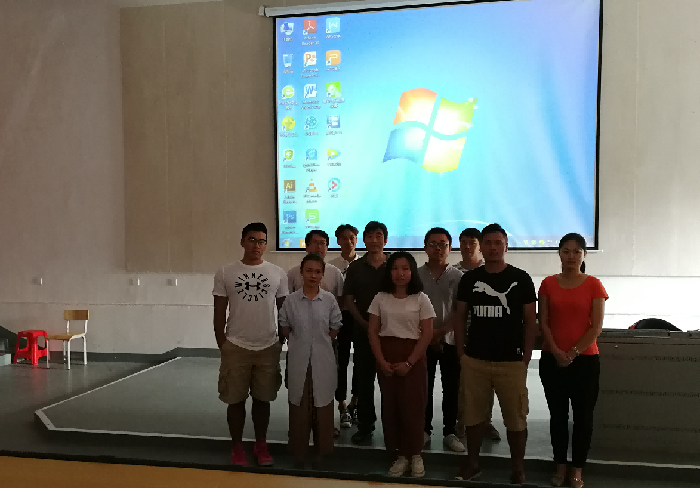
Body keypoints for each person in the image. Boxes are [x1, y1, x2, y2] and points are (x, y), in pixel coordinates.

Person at [452, 223, 537, 484]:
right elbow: (460, 316)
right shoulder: (470, 279)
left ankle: (518, 469)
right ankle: (473, 463)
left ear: (506, 246)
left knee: (516, 418)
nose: (492, 247)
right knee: (473, 417)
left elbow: (530, 321)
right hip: (475, 360)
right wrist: (461, 353)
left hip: (511, 361)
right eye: (487, 242)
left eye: (497, 242)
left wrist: (525, 357)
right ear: (482, 247)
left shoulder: (521, 279)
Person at [213, 222, 289, 466]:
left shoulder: (278, 273)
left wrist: (280, 340)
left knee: (262, 399)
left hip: (267, 346)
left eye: (262, 241)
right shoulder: (225, 272)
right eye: (252, 240)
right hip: (236, 346)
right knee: (235, 400)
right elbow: (219, 311)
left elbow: (283, 312)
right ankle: (237, 447)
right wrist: (223, 342)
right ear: (243, 241)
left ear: (266, 245)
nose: (257, 245)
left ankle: (261, 445)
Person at [538, 233, 608, 488]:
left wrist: (574, 352)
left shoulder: (594, 285)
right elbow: (543, 322)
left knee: (583, 417)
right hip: (552, 360)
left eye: (577, 251)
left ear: (584, 255)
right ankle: (560, 466)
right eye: (566, 251)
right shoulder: (548, 284)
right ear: (559, 253)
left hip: (585, 361)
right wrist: (557, 352)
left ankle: (577, 468)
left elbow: (596, 327)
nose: (571, 256)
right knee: (558, 416)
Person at [367, 251, 435, 478]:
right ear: (389, 272)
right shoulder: (380, 298)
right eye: (395, 268)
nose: (400, 273)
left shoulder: (421, 298)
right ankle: (399, 455)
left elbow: (427, 333)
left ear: (412, 272)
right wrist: (381, 361)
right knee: (391, 407)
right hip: (386, 356)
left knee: (413, 406)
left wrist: (409, 361)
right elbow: (373, 331)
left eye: (405, 268)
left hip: (412, 357)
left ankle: (415, 454)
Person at [280, 253, 343, 468]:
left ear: (322, 274)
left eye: (317, 271)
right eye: (309, 271)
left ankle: (321, 451)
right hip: (299, 360)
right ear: (301, 272)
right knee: (299, 405)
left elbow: (335, 326)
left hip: (323, 360)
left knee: (322, 405)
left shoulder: (329, 300)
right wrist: (301, 342)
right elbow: (285, 325)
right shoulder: (291, 300)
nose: (313, 275)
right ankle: (299, 451)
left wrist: (320, 343)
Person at [417, 228, 465, 452]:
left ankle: (450, 432)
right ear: (425, 247)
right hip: (422, 341)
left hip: (450, 340)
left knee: (451, 388)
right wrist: (428, 334)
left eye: (443, 244)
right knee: (424, 388)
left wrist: (440, 332)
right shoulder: (416, 275)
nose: (438, 248)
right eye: (433, 244)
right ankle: (424, 430)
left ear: (450, 248)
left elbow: (460, 311)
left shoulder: (458, 277)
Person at [344, 221, 389, 444]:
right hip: (362, 331)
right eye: (369, 236)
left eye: (378, 236)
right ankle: (365, 426)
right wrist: (363, 322)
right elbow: (348, 299)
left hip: (391, 334)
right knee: (364, 380)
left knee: (390, 381)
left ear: (385, 240)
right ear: (364, 240)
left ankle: (393, 427)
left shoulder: (394, 265)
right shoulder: (355, 267)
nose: (374, 240)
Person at [454, 228, 500, 442]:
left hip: (486, 334)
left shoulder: (490, 270)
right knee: (462, 383)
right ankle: (461, 422)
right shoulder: (454, 272)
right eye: (463, 242)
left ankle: (486, 422)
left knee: (487, 384)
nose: (467, 246)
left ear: (479, 245)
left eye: (472, 242)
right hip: (460, 334)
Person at [328, 224, 361, 428]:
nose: (348, 242)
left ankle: (355, 404)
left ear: (357, 240)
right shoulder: (330, 267)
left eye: (352, 238)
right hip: (340, 318)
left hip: (361, 318)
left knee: (361, 362)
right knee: (340, 362)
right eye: (344, 238)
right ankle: (341, 406)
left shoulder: (365, 264)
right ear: (338, 241)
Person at [287, 230, 343, 297]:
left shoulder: (335, 272)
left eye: (322, 243)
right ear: (307, 246)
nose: (319, 247)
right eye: (315, 243)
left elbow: (341, 299)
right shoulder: (293, 273)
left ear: (327, 247)